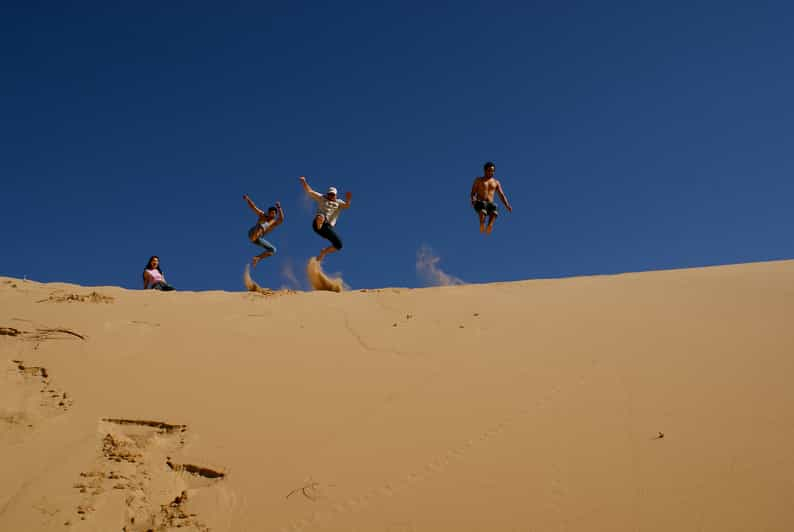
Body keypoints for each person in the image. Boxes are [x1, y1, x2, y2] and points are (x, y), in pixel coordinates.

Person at [299, 175, 352, 262]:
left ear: (336, 195)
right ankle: (320, 225)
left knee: (339, 245)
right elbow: (309, 191)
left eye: (333, 195)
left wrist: (348, 199)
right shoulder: (322, 198)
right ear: (327, 194)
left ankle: (323, 252)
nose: (331, 196)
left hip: (327, 228)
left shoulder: (339, 203)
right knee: (321, 216)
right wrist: (303, 181)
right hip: (317, 223)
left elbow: (347, 205)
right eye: (329, 194)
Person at [470, 161, 512, 234]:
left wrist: (507, 205)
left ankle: (490, 225)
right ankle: (482, 223)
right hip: (480, 203)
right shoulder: (479, 180)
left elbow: (501, 195)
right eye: (489, 170)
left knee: (495, 209)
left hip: (490, 204)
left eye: (492, 171)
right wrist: (473, 199)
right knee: (483, 209)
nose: (491, 172)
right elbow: (473, 192)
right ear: (485, 170)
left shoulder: (496, 182)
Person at [243, 194, 285, 267]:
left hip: (257, 239)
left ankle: (257, 258)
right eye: (270, 213)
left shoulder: (274, 222)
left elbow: (281, 219)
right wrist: (247, 199)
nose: (271, 215)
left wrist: (279, 207)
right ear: (268, 213)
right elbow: (254, 207)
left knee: (273, 250)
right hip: (252, 232)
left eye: (273, 214)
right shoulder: (262, 215)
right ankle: (257, 233)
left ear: (275, 215)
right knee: (264, 223)